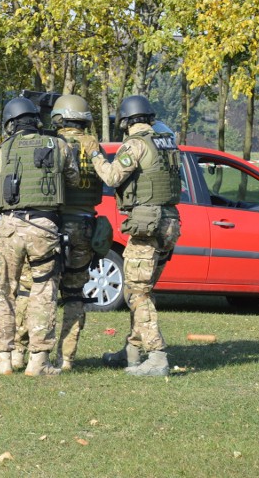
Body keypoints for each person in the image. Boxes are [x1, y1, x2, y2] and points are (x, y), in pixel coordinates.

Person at [82, 94, 182, 377]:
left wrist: (95, 154)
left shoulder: (136, 144)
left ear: (125, 121)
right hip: (169, 223)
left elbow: (113, 177)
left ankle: (157, 356)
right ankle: (132, 351)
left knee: (138, 293)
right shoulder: (166, 142)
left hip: (147, 224)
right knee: (138, 290)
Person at [0, 96, 79, 376]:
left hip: (10, 228)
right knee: (43, 292)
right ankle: (39, 361)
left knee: (3, 292)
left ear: (10, 124)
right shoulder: (58, 145)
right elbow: (71, 179)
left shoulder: (0, 152)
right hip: (45, 226)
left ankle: (2, 358)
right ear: (36, 119)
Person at [49, 94, 105, 371]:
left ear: (58, 118)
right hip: (84, 226)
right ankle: (67, 358)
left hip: (52, 225)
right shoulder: (95, 147)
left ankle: (31, 352)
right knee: (74, 294)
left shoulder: (53, 144)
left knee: (41, 291)